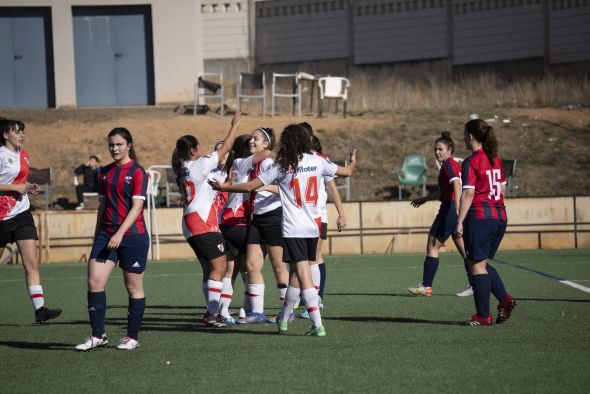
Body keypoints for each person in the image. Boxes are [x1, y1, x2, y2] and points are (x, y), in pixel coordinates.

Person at [210, 124, 357, 336]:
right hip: (313, 226)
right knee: (298, 275)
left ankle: (317, 324)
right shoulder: (318, 160)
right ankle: (284, 317)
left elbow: (252, 186)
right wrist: (352, 162)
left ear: (286, 142)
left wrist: (226, 188)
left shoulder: (282, 164)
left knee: (302, 273)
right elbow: (347, 173)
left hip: (293, 227)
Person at [76, 127, 149, 351]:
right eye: (111, 144)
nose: (114, 148)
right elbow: (102, 206)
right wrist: (98, 234)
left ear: (128, 145)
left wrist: (119, 234)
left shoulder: (138, 172)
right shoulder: (103, 172)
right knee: (94, 282)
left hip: (133, 236)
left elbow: (137, 207)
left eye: (119, 144)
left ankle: (132, 337)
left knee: (133, 287)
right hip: (106, 236)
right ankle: (98, 336)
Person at [172, 113, 242, 328]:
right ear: (193, 150)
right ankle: (213, 314)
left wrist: (228, 182)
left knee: (210, 269)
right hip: (202, 223)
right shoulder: (199, 165)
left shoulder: (185, 168)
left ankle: (212, 313)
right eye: (199, 147)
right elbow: (227, 146)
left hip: (191, 223)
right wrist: (234, 126)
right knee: (220, 267)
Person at [0, 119, 62, 323]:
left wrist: (28, 187)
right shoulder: (1, 155)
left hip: (23, 215)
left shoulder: (24, 155)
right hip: (2, 218)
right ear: (5, 135)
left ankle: (40, 310)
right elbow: (9, 185)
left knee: (32, 263)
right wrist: (14, 188)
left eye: (22, 132)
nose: (21, 135)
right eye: (16, 132)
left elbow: (18, 182)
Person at [456, 119, 516, 326]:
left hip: (480, 217)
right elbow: (501, 190)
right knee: (480, 263)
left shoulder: (470, 162)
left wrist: (459, 221)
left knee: (476, 267)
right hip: (499, 217)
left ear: (471, 137)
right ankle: (505, 299)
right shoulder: (495, 159)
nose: (464, 138)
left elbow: (469, 194)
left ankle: (483, 316)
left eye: (465, 134)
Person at [407, 132, 472, 297]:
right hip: (455, 210)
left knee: (432, 245)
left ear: (450, 151)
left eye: (440, 149)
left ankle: (426, 286)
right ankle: (475, 284)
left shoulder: (449, 165)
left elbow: (457, 185)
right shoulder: (451, 165)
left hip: (450, 209)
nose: (437, 152)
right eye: (435, 149)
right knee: (465, 251)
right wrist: (425, 198)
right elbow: (444, 190)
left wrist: (457, 208)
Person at [238, 127, 289, 323]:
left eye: (256, 139)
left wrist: (265, 186)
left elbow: (286, 187)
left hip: (273, 217)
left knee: (278, 266)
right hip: (257, 218)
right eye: (251, 138)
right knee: (251, 266)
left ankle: (287, 312)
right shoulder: (252, 164)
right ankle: (257, 313)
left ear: (266, 144)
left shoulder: (269, 162)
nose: (251, 141)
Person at [299, 126, 346, 319]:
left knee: (313, 258)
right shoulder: (294, 159)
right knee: (308, 260)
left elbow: (332, 187)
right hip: (299, 218)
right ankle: (310, 298)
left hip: (317, 216)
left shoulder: (318, 159)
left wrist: (341, 214)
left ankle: (315, 300)